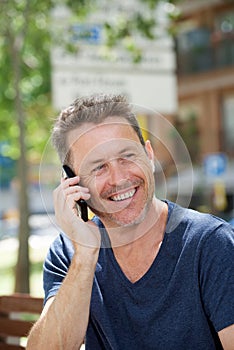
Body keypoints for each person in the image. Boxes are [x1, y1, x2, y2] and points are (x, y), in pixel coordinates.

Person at [27, 94, 234, 350]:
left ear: (148, 154)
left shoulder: (211, 243)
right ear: (72, 182)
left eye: (126, 156)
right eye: (98, 167)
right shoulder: (69, 252)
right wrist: (85, 256)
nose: (119, 178)